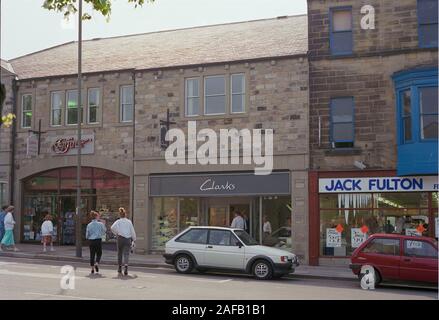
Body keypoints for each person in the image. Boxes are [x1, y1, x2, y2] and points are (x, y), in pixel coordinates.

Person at [111, 207, 136, 276]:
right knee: (126, 254)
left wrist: (116, 233)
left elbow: (112, 227)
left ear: (120, 215)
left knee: (119, 253)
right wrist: (134, 239)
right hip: (127, 239)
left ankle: (119, 268)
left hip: (120, 238)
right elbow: (132, 231)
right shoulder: (129, 222)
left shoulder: (118, 221)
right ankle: (126, 267)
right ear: (125, 215)